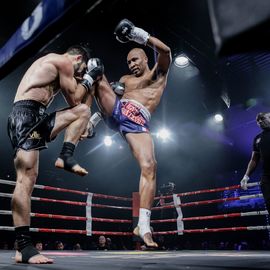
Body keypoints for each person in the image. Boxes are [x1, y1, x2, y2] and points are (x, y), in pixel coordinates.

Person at [7, 44, 103, 264]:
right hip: (25, 116)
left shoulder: (58, 66)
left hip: (35, 116)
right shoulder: (62, 61)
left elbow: (80, 105)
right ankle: (24, 247)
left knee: (83, 113)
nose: (78, 74)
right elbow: (76, 98)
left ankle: (66, 155)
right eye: (81, 68)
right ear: (77, 58)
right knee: (25, 179)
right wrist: (89, 76)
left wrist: (89, 82)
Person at [91, 19, 172, 247]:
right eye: (128, 62)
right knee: (95, 68)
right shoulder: (125, 80)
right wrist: (97, 118)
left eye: (135, 59)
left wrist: (137, 34)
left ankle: (143, 225)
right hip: (116, 112)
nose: (132, 64)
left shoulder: (158, 75)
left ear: (146, 57)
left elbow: (166, 51)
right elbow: (111, 95)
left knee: (149, 166)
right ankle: (82, 124)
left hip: (138, 120)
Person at [240, 112, 270, 215]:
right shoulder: (257, 138)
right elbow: (254, 159)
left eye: (262, 118)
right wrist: (246, 176)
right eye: (257, 120)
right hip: (267, 176)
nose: (260, 121)